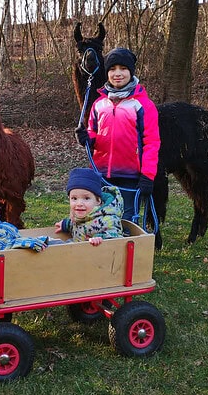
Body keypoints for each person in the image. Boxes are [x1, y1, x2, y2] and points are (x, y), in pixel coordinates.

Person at [74, 47, 160, 222]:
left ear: (131, 71)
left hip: (131, 176)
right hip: (102, 174)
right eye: (112, 69)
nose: (117, 73)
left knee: (126, 220)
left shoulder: (143, 105)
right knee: (101, 219)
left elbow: (152, 142)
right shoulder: (99, 104)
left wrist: (148, 175)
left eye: (123, 68)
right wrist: (87, 139)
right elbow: (95, 133)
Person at [54, 168, 123, 246]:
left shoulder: (108, 219)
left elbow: (115, 236)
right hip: (80, 254)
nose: (79, 203)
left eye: (86, 198)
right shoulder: (82, 216)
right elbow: (79, 226)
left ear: (98, 201)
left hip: (101, 255)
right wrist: (66, 224)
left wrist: (101, 238)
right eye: (74, 198)